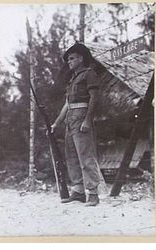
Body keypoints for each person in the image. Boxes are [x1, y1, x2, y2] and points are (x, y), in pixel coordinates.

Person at [51, 43, 101, 206]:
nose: (69, 62)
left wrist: (87, 120)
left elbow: (94, 98)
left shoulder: (89, 74)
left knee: (85, 156)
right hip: (70, 118)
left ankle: (93, 194)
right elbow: (67, 104)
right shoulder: (73, 79)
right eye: (68, 59)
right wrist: (56, 123)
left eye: (72, 58)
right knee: (71, 156)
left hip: (81, 116)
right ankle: (78, 192)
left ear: (81, 59)